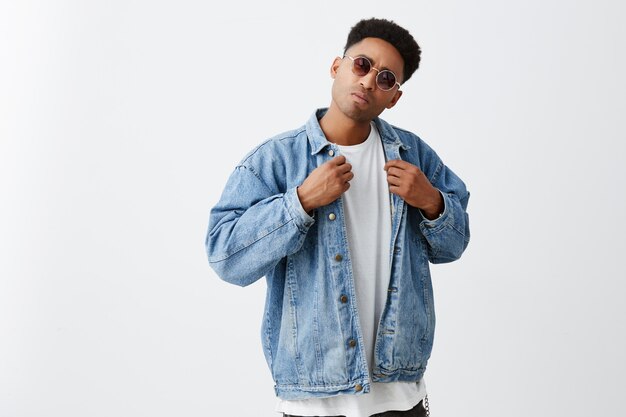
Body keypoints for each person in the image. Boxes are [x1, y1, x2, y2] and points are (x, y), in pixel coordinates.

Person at [205, 17, 470, 417]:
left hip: (401, 396)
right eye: (361, 65)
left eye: (385, 78)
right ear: (337, 67)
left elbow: (455, 244)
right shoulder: (276, 160)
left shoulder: (415, 157)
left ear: (393, 97)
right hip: (314, 399)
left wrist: (432, 201)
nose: (367, 82)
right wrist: (299, 203)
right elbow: (225, 257)